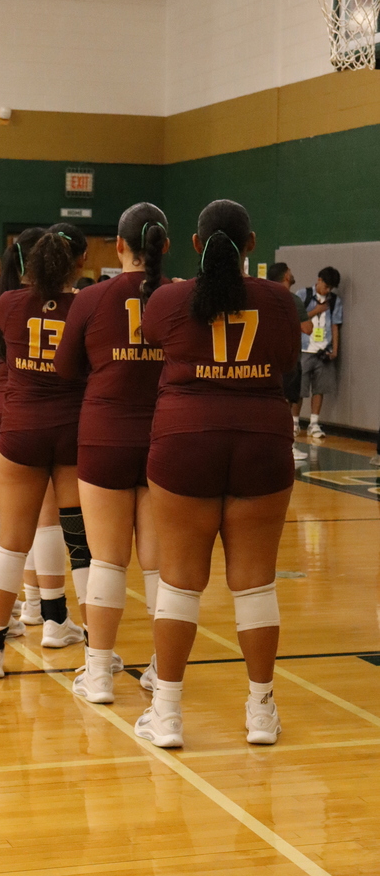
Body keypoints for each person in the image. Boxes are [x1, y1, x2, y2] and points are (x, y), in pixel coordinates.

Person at [134, 199, 300, 749]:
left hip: (185, 442)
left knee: (179, 582)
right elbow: (288, 361)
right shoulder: (280, 301)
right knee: (256, 585)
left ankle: (168, 715)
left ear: (196, 244)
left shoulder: (169, 299)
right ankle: (259, 711)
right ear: (251, 244)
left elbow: (155, 340)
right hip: (262, 442)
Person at [54, 203, 170, 703]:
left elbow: (63, 370)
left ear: (118, 246)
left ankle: (99, 674)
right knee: (158, 563)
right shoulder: (180, 297)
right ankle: (163, 671)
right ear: (164, 246)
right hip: (166, 440)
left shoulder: (90, 298)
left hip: (102, 436)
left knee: (106, 559)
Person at [0, 225, 89, 679]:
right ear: (76, 264)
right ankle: (92, 654)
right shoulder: (85, 305)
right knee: (81, 545)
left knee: (13, 542)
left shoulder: (5, 303)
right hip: (72, 431)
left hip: (20, 429)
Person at [267, 263, 314, 461]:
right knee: (286, 403)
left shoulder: (264, 296)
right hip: (287, 358)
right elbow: (307, 329)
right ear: (286, 275)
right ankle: (287, 447)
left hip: (265, 357)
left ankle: (269, 445)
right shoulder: (292, 299)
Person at [292, 267, 343, 439]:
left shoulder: (335, 301)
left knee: (319, 389)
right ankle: (294, 423)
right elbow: (295, 318)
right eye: (326, 286)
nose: (327, 290)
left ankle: (314, 423)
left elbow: (335, 325)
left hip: (323, 351)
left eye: (331, 288)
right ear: (319, 280)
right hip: (304, 349)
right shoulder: (303, 294)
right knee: (299, 389)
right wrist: (317, 310)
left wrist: (335, 349)